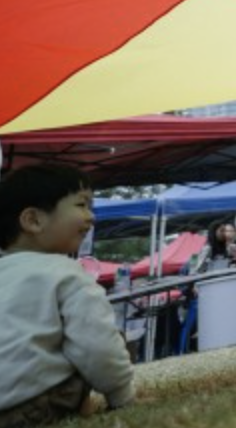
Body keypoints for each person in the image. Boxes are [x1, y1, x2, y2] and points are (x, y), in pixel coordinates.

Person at [0, 164, 135, 424]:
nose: (91, 217)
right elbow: (98, 346)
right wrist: (122, 396)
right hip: (31, 409)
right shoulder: (65, 272)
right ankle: (81, 408)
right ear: (33, 220)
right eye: (81, 205)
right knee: (112, 336)